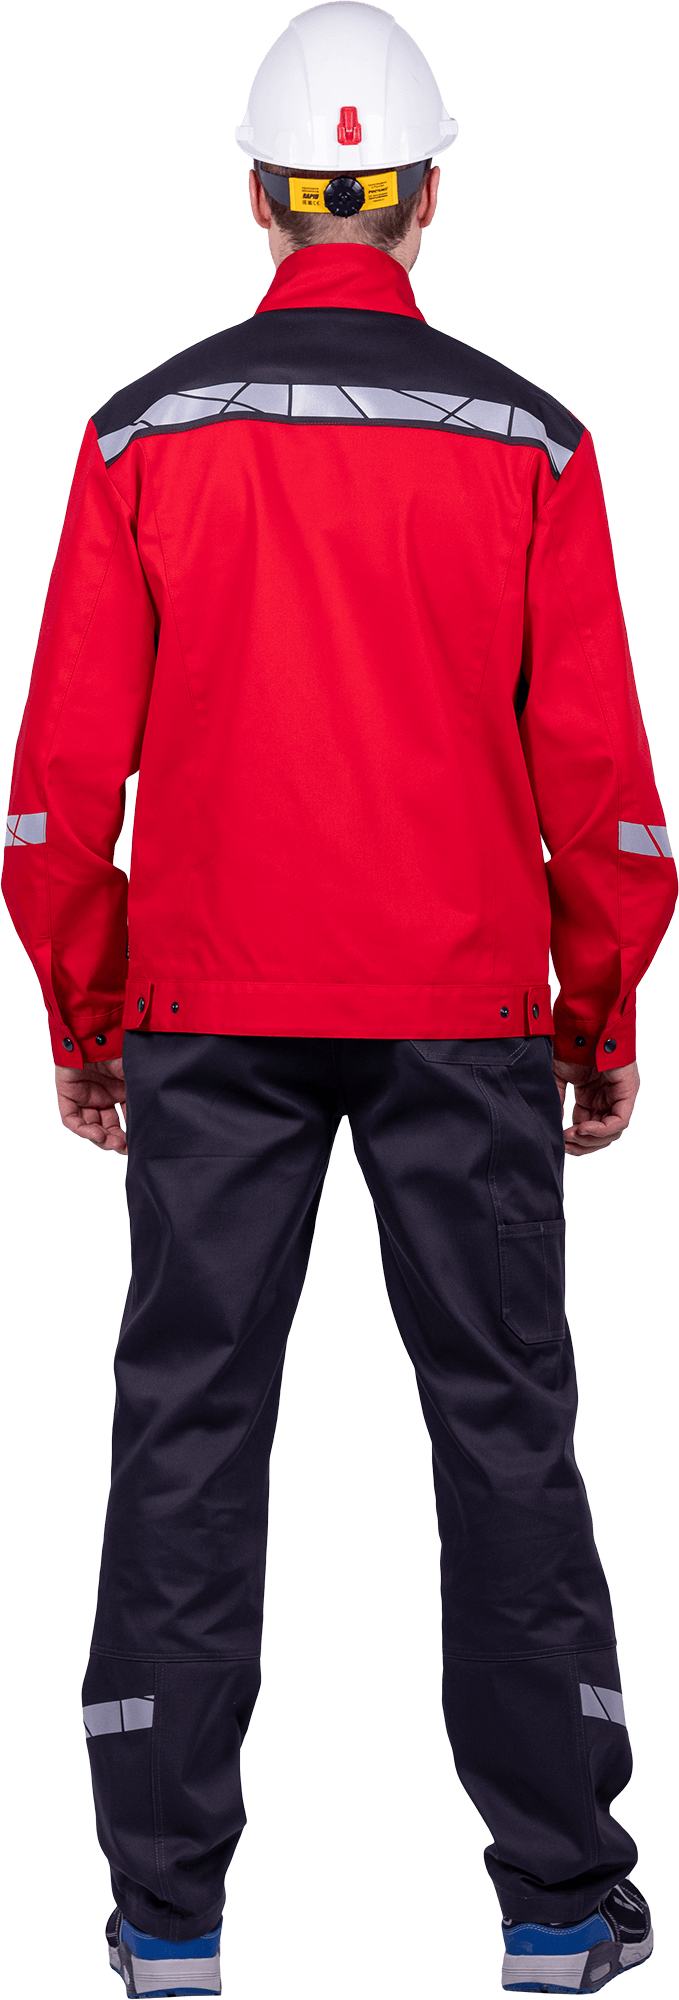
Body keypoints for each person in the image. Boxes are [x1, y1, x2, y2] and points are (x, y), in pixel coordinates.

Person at [2, 6, 673, 1994]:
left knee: (185, 1431)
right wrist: (602, 1014)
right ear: (427, 196)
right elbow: (600, 779)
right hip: (470, 1011)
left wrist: (85, 1012)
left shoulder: (140, 434)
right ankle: (557, 1910)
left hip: (207, 1005)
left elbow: (59, 779)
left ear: (259, 197)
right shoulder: (533, 440)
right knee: (506, 1431)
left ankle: (164, 1923)